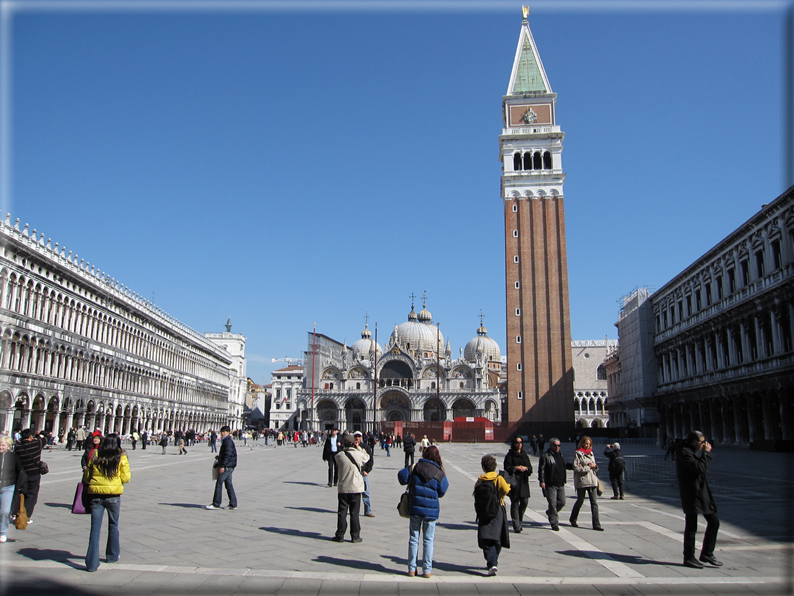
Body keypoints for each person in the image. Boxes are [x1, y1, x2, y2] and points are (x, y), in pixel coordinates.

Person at [397, 445, 448, 578]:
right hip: (431, 511)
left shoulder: (415, 467)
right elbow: (443, 490)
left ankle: (411, 569)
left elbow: (401, 477)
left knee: (413, 538)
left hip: (415, 508)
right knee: (428, 540)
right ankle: (427, 570)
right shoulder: (438, 472)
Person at [84, 433, 131, 572]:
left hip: (96, 496)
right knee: (113, 525)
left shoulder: (96, 454)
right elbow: (126, 478)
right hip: (113, 495)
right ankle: (112, 555)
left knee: (95, 528)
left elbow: (87, 476)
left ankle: (92, 564)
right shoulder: (121, 456)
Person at [677, 431, 721, 569]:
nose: (704, 445)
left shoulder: (692, 451)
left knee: (714, 522)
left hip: (700, 492)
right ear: (694, 442)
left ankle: (707, 553)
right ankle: (689, 557)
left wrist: (704, 454)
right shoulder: (684, 453)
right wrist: (706, 454)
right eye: (702, 443)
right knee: (691, 526)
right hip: (692, 493)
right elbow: (700, 468)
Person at [474, 454, 510, 576]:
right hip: (497, 510)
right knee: (497, 536)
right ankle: (493, 562)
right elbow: (506, 490)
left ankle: (492, 561)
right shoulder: (498, 478)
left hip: (484, 511)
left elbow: (476, 492)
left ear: (483, 468)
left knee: (486, 536)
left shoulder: (480, 480)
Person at [332, 433, 369, 543]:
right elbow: (367, 457)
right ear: (354, 443)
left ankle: (340, 535)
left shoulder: (339, 456)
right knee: (354, 513)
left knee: (342, 512)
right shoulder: (359, 455)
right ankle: (355, 536)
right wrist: (359, 448)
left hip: (343, 488)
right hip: (355, 488)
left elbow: (336, 460)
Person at [569, 436, 602, 531]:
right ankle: (573, 519)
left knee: (594, 503)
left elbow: (594, 467)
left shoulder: (591, 453)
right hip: (582, 481)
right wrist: (588, 467)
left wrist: (594, 466)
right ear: (582, 443)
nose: (588, 446)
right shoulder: (578, 453)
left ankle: (596, 524)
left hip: (592, 481)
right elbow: (576, 467)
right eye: (586, 444)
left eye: (589, 444)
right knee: (580, 500)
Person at [0, 435, 27, 543]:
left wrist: (20, 487)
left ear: (8, 446)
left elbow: (20, 471)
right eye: (0, 445)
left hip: (8, 487)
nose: (1, 447)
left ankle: (2, 532)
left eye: (3, 445)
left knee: (5, 511)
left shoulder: (14, 457)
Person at [538, 437, 568, 531]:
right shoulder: (545, 456)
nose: (557, 447)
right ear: (551, 445)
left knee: (562, 502)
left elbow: (564, 465)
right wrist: (542, 481)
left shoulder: (560, 455)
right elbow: (541, 469)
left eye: (559, 445)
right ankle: (554, 523)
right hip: (550, 483)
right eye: (555, 445)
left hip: (560, 483)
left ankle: (550, 512)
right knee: (552, 503)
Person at [14, 429, 44, 523]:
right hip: (34, 473)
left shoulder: (18, 447)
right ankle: (26, 516)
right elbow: (47, 437)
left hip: (22, 474)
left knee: (21, 494)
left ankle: (16, 513)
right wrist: (39, 435)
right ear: (30, 437)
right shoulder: (36, 444)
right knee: (32, 495)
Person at [503, 436, 532, 533]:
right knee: (515, 503)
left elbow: (530, 468)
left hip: (523, 482)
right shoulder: (510, 455)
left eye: (521, 442)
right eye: (517, 442)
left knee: (524, 502)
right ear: (514, 444)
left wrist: (526, 468)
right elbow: (507, 467)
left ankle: (520, 520)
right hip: (514, 482)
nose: (519, 444)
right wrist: (516, 468)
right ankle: (516, 525)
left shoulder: (524, 455)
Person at [207, 426, 237, 510]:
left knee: (219, 483)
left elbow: (228, 455)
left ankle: (216, 503)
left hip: (227, 466)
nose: (222, 434)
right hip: (229, 465)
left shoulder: (228, 442)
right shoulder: (226, 441)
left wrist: (223, 466)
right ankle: (233, 504)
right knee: (228, 485)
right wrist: (219, 458)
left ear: (228, 432)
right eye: (221, 432)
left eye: (224, 432)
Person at [353, 431, 375, 517]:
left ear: (361, 437)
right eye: (356, 436)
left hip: (363, 473)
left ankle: (368, 510)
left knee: (366, 492)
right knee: (354, 493)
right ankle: (354, 511)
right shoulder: (351, 447)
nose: (357, 438)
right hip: (354, 473)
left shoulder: (365, 447)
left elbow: (370, 459)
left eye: (359, 436)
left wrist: (367, 470)